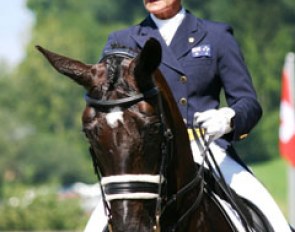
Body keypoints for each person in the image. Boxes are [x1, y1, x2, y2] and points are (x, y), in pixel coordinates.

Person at [85, 0, 292, 231]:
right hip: (144, 155)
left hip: (205, 146)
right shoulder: (122, 41)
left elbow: (248, 103)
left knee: (268, 210)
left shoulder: (216, 36)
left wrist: (228, 118)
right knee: (95, 225)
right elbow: (105, 99)